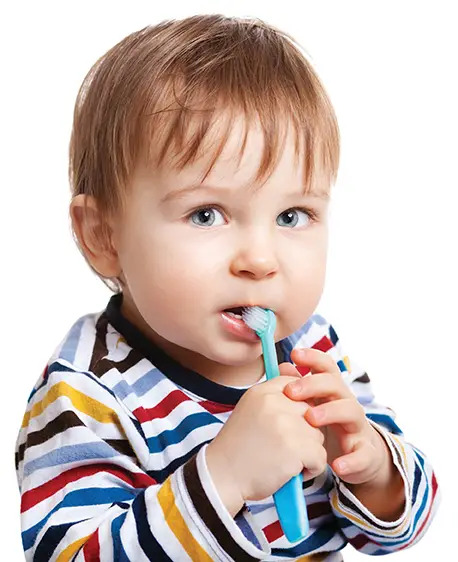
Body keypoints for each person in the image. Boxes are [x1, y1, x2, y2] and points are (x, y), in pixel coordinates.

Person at [15, 14, 440, 561]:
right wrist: (224, 477)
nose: (261, 260)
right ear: (104, 235)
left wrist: (375, 467)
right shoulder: (86, 394)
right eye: (207, 214)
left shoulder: (313, 351)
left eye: (292, 215)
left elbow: (397, 529)